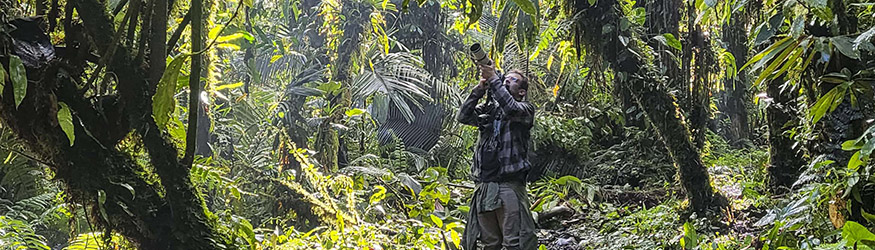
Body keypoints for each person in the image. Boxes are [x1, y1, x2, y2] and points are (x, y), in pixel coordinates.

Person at [459, 63, 538, 250]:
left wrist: (494, 79)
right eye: (506, 78)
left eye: (513, 80)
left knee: (513, 242)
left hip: (508, 185)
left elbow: (511, 108)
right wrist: (479, 90)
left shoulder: (525, 109)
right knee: (489, 243)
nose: (507, 81)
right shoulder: (489, 111)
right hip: (485, 185)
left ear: (522, 92)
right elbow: (463, 116)